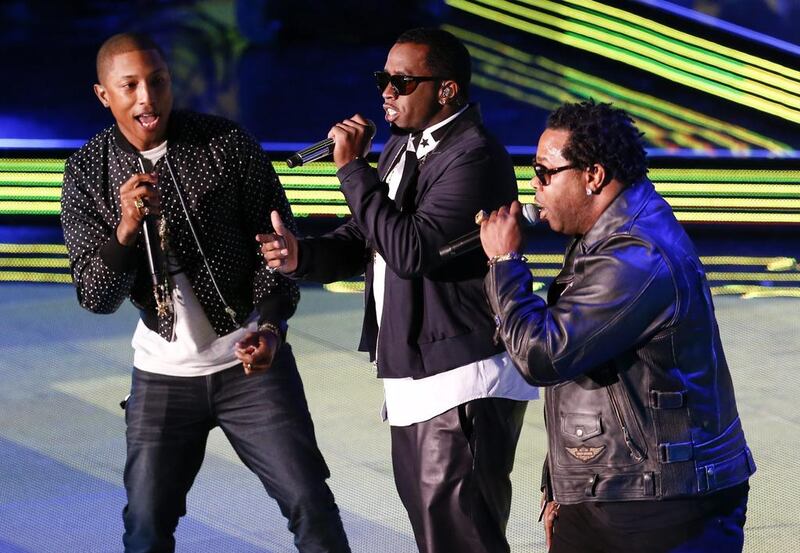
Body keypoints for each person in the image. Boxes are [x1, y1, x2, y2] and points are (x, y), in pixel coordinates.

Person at [60, 32, 350, 553]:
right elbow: (96, 296)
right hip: (162, 376)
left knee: (311, 505)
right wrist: (127, 228)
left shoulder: (225, 144)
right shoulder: (87, 171)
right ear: (105, 95)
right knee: (146, 527)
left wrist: (268, 327)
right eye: (130, 86)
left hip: (249, 365)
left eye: (158, 81)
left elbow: (279, 252)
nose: (147, 97)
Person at [260, 27, 539, 553]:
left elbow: (411, 251)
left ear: (447, 90)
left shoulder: (474, 156)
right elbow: (368, 238)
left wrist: (350, 169)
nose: (386, 91)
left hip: (464, 375)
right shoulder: (402, 147)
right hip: (414, 370)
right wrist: (302, 255)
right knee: (437, 539)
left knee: (462, 540)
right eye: (383, 79)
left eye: (402, 81)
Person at [479, 100, 755, 553]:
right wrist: (563, 489)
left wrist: (505, 263)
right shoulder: (605, 236)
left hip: (664, 506)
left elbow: (543, 355)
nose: (533, 186)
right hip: (617, 490)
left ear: (593, 176)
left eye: (545, 172)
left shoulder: (635, 255)